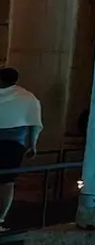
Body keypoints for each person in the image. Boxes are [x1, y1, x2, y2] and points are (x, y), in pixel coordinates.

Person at [0, 67, 42, 228]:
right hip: (14, 145)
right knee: (7, 182)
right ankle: (0, 218)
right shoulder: (28, 98)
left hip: (12, 144)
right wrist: (32, 145)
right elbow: (34, 123)